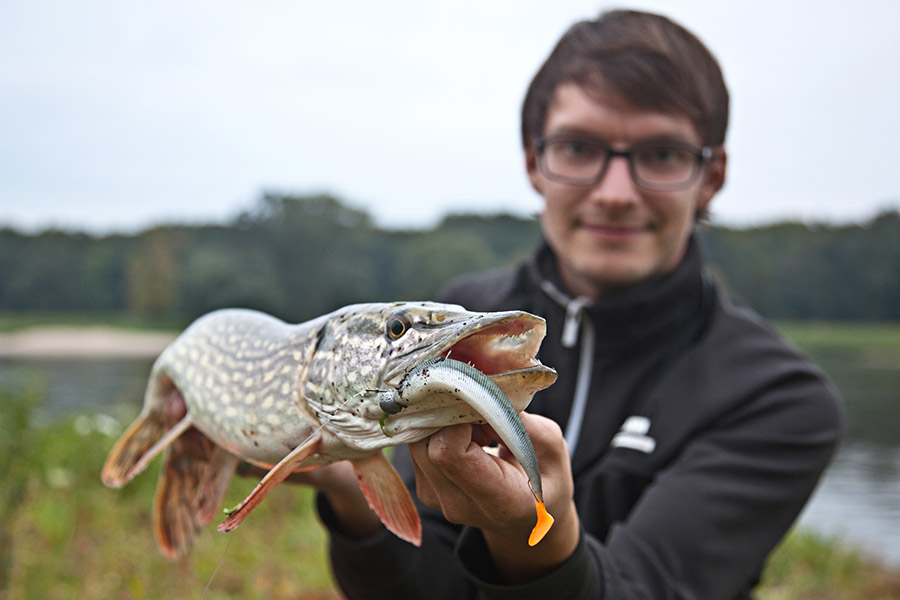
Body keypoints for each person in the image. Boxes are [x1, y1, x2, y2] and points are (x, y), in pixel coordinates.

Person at [307, 9, 844, 599]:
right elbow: (421, 586)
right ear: (534, 160)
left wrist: (534, 537)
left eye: (661, 154)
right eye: (579, 147)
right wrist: (349, 495)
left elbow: (650, 589)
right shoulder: (455, 322)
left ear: (710, 175)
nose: (615, 193)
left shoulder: (778, 397)